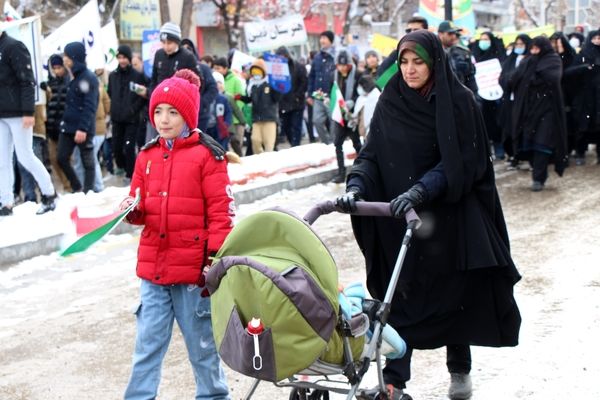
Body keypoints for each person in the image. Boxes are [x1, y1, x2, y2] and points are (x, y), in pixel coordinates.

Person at [335, 31, 521, 400]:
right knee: (400, 295)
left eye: (418, 62)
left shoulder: (460, 103)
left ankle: (459, 367)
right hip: (403, 219)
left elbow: (463, 162)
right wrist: (356, 183)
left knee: (455, 297)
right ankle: (394, 380)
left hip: (449, 216)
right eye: (403, 62)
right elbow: (373, 153)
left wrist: (422, 189)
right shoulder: (392, 101)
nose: (409, 70)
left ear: (434, 62)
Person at [120, 69, 234, 400]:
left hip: (193, 275)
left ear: (188, 115)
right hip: (153, 271)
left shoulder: (208, 156)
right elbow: (141, 209)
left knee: (202, 348)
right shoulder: (147, 155)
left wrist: (213, 262)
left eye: (173, 112)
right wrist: (131, 208)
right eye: (158, 111)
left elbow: (221, 215)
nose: (164, 119)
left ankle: (213, 396)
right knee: (147, 345)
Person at [0, 30, 56, 216]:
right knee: (2, 160)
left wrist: (28, 111)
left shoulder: (13, 46)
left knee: (25, 156)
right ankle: (5, 202)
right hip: (1, 114)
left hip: (18, 113)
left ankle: (49, 193)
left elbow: (27, 81)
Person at [510, 36, 568, 191]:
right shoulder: (527, 61)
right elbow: (514, 79)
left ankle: (539, 178)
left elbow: (552, 78)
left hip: (547, 110)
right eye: (532, 49)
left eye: (537, 49)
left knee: (541, 143)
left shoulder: (553, 60)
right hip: (528, 110)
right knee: (529, 141)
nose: (534, 52)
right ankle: (536, 171)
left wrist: (532, 67)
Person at [57, 42, 99, 194]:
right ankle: (77, 187)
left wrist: (82, 128)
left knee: (88, 162)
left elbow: (90, 106)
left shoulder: (88, 77)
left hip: (83, 128)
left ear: (74, 57)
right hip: (68, 126)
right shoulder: (71, 77)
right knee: (61, 158)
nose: (65, 59)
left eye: (67, 56)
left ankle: (88, 192)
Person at [107, 45, 146, 180]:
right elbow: (111, 93)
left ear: (129, 59)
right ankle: (122, 168)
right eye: (119, 57)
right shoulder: (113, 76)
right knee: (116, 148)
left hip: (132, 119)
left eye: (124, 58)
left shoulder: (138, 76)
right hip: (117, 119)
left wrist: (133, 109)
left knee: (128, 148)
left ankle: (131, 175)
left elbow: (143, 96)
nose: (122, 60)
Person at [498, 34, 532, 167]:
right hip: (509, 100)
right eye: (517, 44)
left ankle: (526, 156)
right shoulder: (510, 59)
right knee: (510, 128)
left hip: (524, 102)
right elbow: (503, 78)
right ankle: (513, 155)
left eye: (522, 44)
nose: (519, 47)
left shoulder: (530, 60)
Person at [471, 31, 506, 159]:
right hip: (480, 95)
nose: (483, 42)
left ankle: (499, 148)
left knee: (497, 122)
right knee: (483, 123)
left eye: (486, 39)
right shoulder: (475, 55)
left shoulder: (498, 54)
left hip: (496, 94)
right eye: (481, 39)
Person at [331, 50, 363, 183]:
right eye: (339, 65)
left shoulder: (358, 74)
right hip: (339, 115)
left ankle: (363, 169)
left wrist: (350, 103)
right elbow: (333, 91)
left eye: (345, 65)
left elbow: (361, 94)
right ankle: (341, 172)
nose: (342, 68)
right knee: (337, 143)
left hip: (352, 115)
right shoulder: (335, 75)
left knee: (357, 144)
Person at [569, 30, 600, 165]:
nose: (597, 41)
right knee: (583, 127)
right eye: (595, 38)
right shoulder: (582, 54)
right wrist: (584, 68)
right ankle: (580, 152)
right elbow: (570, 73)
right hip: (585, 98)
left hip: (598, 98)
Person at [42, 54, 71, 192]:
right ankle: (65, 184)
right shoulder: (50, 84)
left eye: (59, 67)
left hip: (64, 128)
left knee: (64, 159)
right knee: (53, 159)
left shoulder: (70, 82)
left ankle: (69, 185)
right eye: (54, 68)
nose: (57, 71)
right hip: (52, 128)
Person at [239, 58, 281, 154]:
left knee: (269, 143)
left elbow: (277, 98)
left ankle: (269, 161)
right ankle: (261, 159)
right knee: (255, 140)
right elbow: (250, 99)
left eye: (258, 71)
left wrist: (278, 87)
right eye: (253, 72)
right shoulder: (252, 85)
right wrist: (241, 97)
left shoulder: (270, 84)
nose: (256, 74)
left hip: (269, 118)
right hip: (257, 118)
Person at [307, 30, 337, 144]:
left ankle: (334, 142)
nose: (322, 41)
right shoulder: (317, 57)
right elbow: (311, 76)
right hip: (318, 96)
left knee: (334, 120)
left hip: (331, 96)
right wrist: (309, 94)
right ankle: (326, 143)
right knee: (317, 121)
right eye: (321, 38)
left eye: (325, 38)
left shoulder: (336, 55)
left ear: (331, 40)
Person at [214, 57, 246, 156]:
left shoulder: (235, 80)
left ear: (225, 68)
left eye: (218, 68)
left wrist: (232, 107)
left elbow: (241, 99)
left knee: (236, 142)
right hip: (223, 121)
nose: (216, 70)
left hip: (235, 119)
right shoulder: (215, 81)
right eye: (215, 68)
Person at [276, 46, 308, 147]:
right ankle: (293, 145)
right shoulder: (276, 69)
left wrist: (297, 96)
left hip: (296, 103)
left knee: (296, 126)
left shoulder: (298, 67)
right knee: (286, 127)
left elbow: (304, 83)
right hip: (283, 104)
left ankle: (295, 146)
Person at [438, 21, 479, 95]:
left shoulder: (463, 52)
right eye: (450, 34)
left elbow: (470, 78)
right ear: (440, 34)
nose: (453, 36)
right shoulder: (433, 52)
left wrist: (475, 98)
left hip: (460, 97)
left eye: (454, 33)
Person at [206, 71, 233, 149]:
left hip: (220, 128)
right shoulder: (206, 97)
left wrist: (226, 124)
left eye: (219, 82)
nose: (217, 85)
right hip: (207, 127)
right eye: (215, 82)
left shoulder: (223, 99)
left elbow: (228, 113)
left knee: (221, 148)